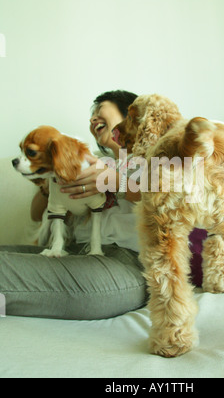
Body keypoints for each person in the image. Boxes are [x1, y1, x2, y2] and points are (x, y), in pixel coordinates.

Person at [0, 90, 148, 320]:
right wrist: (50, 181)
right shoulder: (87, 158)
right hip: (74, 252)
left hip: (123, 264)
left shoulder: (152, 159)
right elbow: (36, 215)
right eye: (92, 115)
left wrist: (115, 180)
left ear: (131, 115)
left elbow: (171, 197)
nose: (92, 119)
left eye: (100, 111)